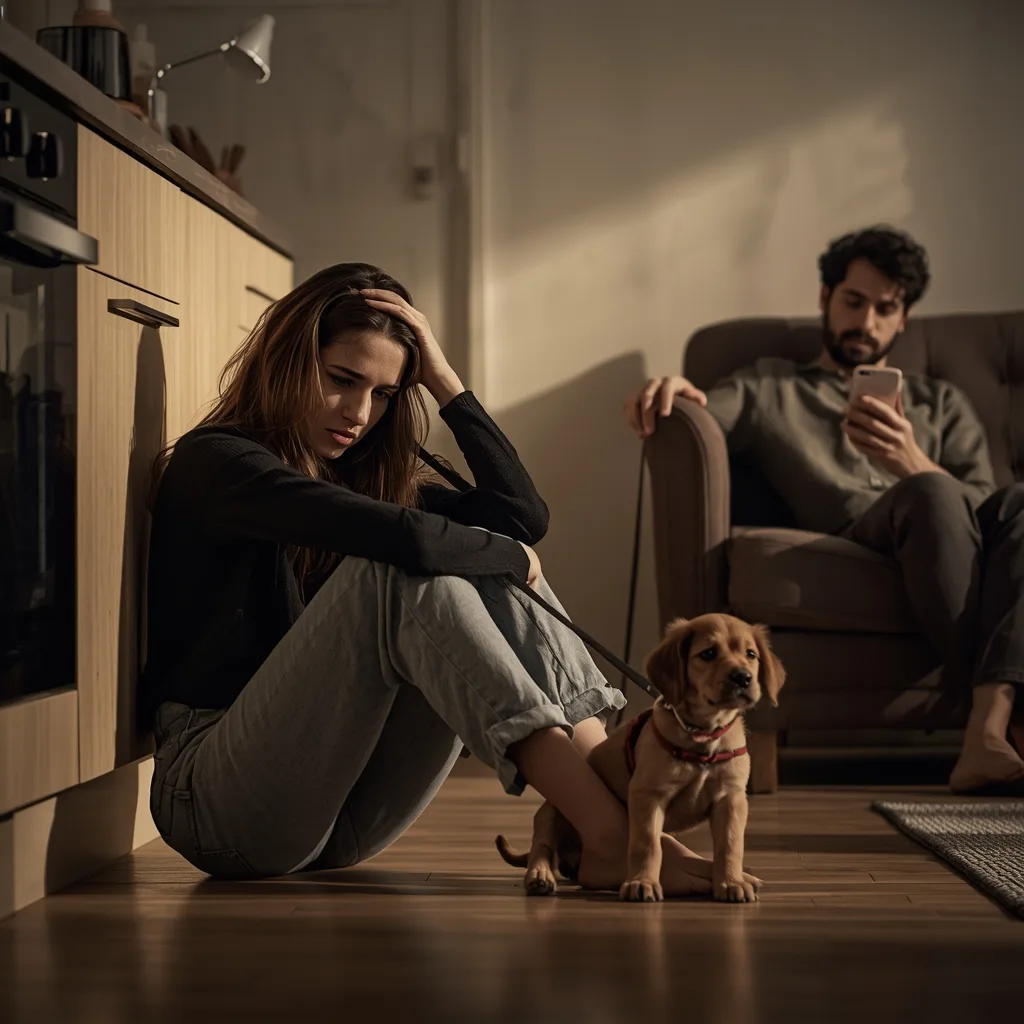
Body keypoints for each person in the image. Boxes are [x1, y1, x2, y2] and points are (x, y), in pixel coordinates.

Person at [141, 262, 719, 892]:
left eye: (386, 393)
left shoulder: (360, 480)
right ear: (286, 362)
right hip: (215, 802)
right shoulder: (219, 464)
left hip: (340, 815)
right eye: (342, 379)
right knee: (414, 568)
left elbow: (522, 516)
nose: (360, 412)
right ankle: (612, 835)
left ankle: (626, 828)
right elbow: (420, 541)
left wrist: (445, 383)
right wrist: (504, 554)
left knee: (470, 555)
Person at [624, 226, 1024, 796]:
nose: (866, 323)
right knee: (929, 494)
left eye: (886, 309)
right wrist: (675, 388)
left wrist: (911, 457)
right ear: (825, 299)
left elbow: (986, 511)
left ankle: (991, 729)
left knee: (1008, 500)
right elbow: (706, 414)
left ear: (903, 318)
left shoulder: (942, 404)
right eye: (853, 302)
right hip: (864, 535)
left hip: (958, 538)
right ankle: (1003, 723)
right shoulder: (770, 386)